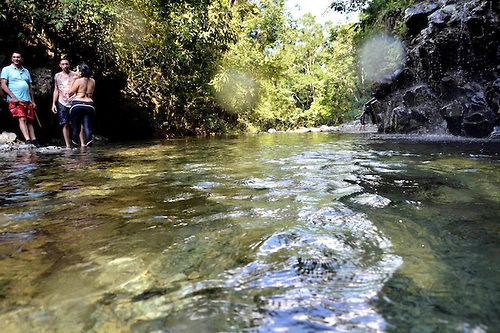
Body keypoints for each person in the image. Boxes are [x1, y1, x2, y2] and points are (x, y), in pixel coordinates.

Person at [0, 52, 40, 147]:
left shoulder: (26, 71)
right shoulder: (7, 69)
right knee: (22, 118)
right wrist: (12, 96)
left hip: (27, 99)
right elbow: (3, 84)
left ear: (21, 58)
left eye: (18, 57)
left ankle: (34, 139)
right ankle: (28, 139)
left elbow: (30, 87)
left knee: (30, 120)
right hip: (15, 100)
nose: (16, 59)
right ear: (11, 59)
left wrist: (33, 101)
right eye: (14, 57)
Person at [51, 58, 85, 148]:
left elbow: (81, 87)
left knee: (78, 123)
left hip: (74, 100)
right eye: (63, 64)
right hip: (62, 101)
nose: (65, 66)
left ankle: (82, 143)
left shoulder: (75, 74)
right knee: (64, 123)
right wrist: (53, 104)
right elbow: (56, 89)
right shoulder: (57, 76)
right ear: (60, 65)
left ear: (69, 65)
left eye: (66, 64)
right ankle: (67, 145)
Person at [69, 63, 95, 147]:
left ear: (80, 72)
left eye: (77, 70)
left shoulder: (79, 80)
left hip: (77, 103)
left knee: (76, 128)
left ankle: (75, 146)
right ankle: (89, 146)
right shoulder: (93, 81)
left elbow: (70, 93)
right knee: (87, 127)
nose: (75, 72)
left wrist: (73, 80)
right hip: (89, 104)